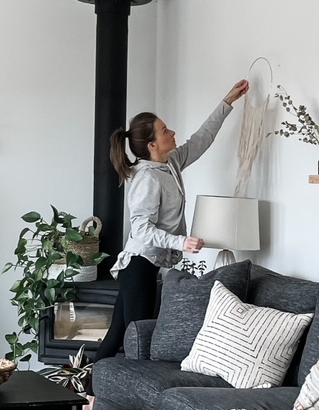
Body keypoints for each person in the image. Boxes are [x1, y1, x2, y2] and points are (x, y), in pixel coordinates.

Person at [88, 79, 250, 387]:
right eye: (165, 131)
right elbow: (141, 228)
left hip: (148, 264)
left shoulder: (171, 162)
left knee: (118, 335)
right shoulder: (147, 178)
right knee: (137, 341)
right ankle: (116, 393)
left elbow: (201, 139)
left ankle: (86, 391)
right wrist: (181, 241)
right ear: (152, 145)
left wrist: (227, 102)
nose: (172, 132)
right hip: (139, 265)